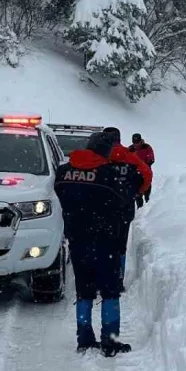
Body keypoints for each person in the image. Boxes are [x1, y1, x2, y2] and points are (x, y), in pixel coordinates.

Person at [54, 132, 138, 356]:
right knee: (110, 291)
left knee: (84, 290)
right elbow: (124, 201)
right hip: (106, 241)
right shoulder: (108, 174)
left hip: (77, 239)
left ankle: (84, 337)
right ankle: (110, 340)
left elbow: (59, 192)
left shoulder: (64, 172)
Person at [102, 127, 151, 290]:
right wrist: (137, 192)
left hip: (100, 208)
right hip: (124, 207)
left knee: (100, 243)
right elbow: (147, 175)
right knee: (120, 244)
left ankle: (100, 278)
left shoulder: (99, 157)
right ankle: (117, 280)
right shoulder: (130, 156)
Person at [128, 133, 155, 206]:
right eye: (134, 142)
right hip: (135, 174)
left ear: (141, 141)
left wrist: (144, 165)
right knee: (137, 192)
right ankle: (140, 208)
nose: (136, 144)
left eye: (137, 142)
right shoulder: (130, 149)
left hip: (146, 173)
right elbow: (126, 160)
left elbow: (151, 159)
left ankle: (148, 203)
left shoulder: (147, 147)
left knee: (147, 189)